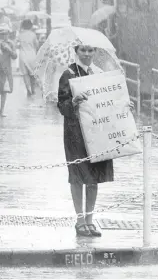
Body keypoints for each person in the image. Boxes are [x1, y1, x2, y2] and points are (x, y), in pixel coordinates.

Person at [57, 45, 134, 237]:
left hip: (98, 131)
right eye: (83, 50)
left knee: (94, 176)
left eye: (91, 50)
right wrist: (73, 102)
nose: (87, 54)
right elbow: (62, 106)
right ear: (76, 51)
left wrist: (123, 105)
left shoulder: (101, 75)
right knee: (77, 174)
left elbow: (109, 102)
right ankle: (80, 220)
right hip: (76, 133)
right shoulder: (68, 74)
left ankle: (90, 220)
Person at [0, 23, 17, 117]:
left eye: (5, 34)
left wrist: (9, 49)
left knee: (4, 91)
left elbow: (14, 56)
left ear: (8, 34)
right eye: (1, 34)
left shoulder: (11, 43)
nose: (3, 36)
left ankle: (1, 110)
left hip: (6, 70)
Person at [18, 19, 39, 96]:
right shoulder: (33, 34)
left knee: (25, 74)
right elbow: (36, 45)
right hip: (32, 55)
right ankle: (33, 89)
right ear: (30, 26)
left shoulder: (20, 35)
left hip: (22, 56)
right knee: (32, 74)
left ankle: (28, 90)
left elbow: (17, 44)